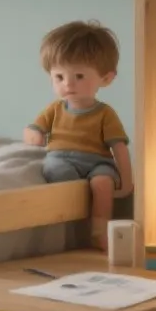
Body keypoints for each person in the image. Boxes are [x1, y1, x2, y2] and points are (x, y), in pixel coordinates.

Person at [25, 21, 131, 249]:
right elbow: (34, 128)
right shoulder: (54, 109)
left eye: (79, 76)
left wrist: (127, 181)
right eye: (59, 77)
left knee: (103, 183)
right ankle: (71, 228)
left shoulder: (105, 113)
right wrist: (33, 135)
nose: (68, 84)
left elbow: (119, 148)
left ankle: (99, 230)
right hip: (62, 157)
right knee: (60, 174)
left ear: (106, 78)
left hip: (98, 161)